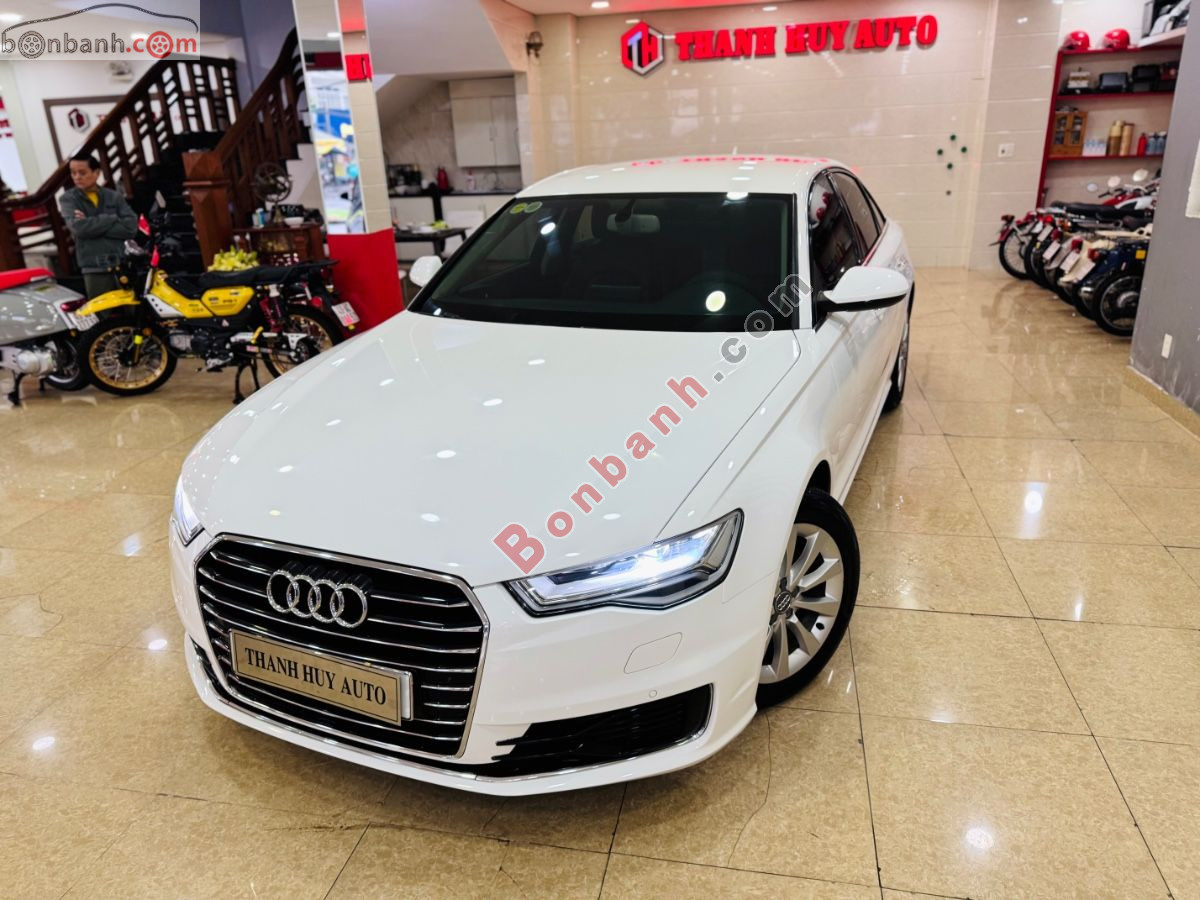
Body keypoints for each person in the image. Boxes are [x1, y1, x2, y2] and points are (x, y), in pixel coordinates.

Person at [58, 153, 138, 297]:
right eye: (73, 173)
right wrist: (112, 218)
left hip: (122, 264)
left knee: (131, 307)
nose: (77, 177)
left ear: (96, 173)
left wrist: (90, 222)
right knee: (101, 309)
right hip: (93, 268)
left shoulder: (114, 196)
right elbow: (79, 229)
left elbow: (130, 228)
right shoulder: (68, 199)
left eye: (82, 173)